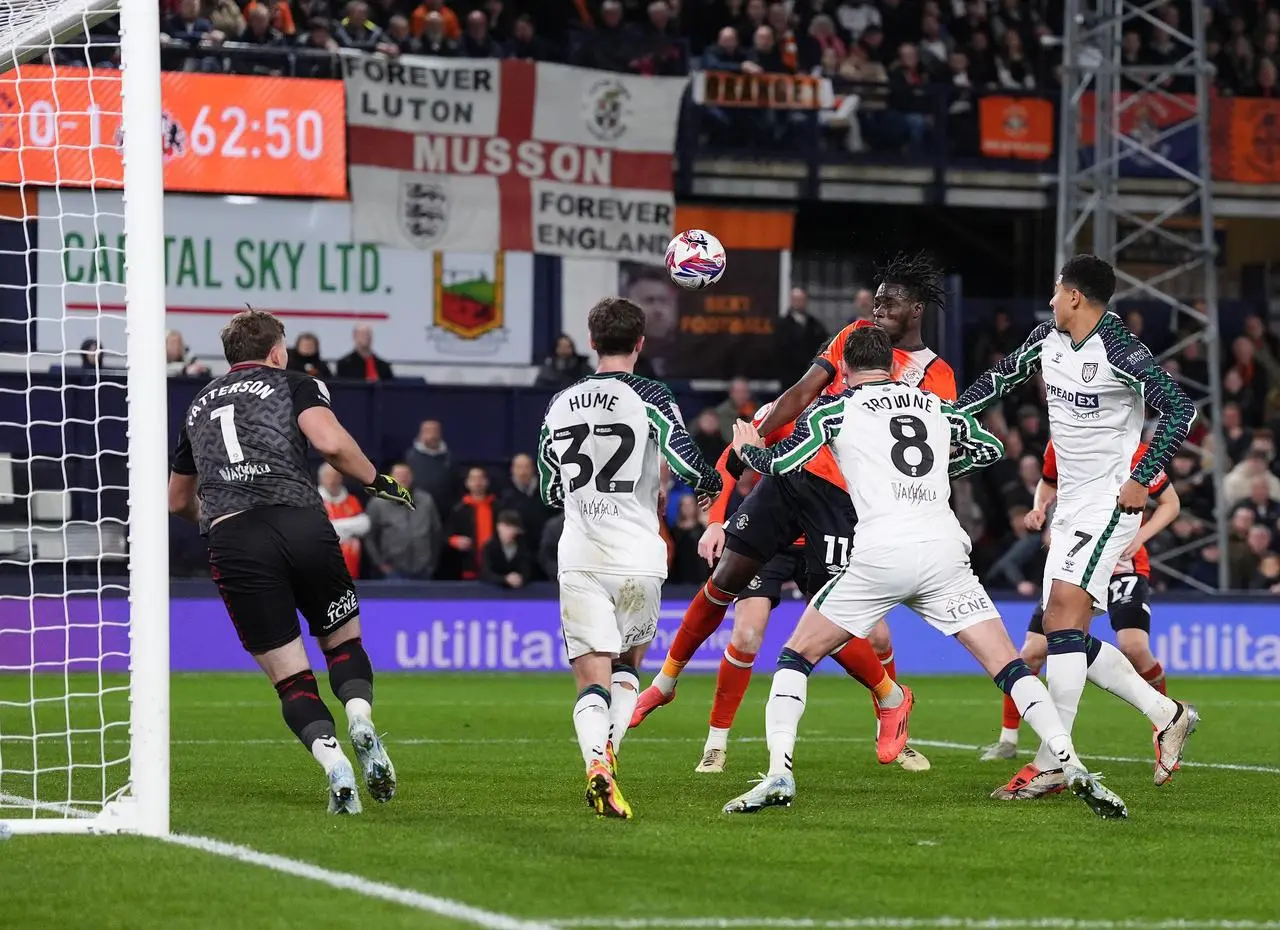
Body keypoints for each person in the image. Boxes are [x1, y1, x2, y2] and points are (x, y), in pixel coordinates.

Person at [721, 325, 1128, 819]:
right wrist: (941, 471)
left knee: (795, 657)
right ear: (893, 366)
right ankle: (1072, 764)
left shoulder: (836, 408)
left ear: (845, 370)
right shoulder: (935, 407)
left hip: (881, 555)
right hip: (943, 553)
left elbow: (783, 463)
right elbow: (989, 449)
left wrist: (747, 448)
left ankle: (779, 773)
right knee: (1011, 667)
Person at [630, 253, 957, 774]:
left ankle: (892, 702)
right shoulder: (854, 336)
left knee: (850, 630)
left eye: (888, 303)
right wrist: (756, 439)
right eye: (874, 301)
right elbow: (803, 391)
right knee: (727, 580)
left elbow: (931, 460)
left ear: (916, 309)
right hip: (794, 476)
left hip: (847, 503)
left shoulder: (936, 377)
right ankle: (666, 684)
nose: (877, 311)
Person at [956, 254, 1200, 798]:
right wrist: (949, 415)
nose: (1048, 300)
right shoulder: (1047, 340)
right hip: (1069, 508)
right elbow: (997, 379)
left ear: (1074, 296)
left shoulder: (1121, 350)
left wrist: (1142, 476)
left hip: (1109, 505)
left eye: (1055, 290)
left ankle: (1051, 764)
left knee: (1064, 614)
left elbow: (1181, 409)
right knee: (1062, 633)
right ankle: (1166, 713)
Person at [167, 308, 413, 814]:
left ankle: (334, 764)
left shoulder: (197, 405)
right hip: (299, 521)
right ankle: (361, 719)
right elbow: (329, 442)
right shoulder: (296, 383)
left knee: (290, 676)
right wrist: (375, 480)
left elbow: (176, 500)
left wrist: (208, 517)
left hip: (234, 537)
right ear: (277, 352)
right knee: (343, 642)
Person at [537, 296, 721, 819]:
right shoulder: (652, 396)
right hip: (639, 555)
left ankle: (597, 763)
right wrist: (707, 486)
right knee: (626, 669)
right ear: (641, 343)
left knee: (588, 679)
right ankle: (608, 760)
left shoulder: (560, 401)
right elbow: (687, 460)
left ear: (592, 342)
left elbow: (551, 488)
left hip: (581, 554)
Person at [981, 439, 1183, 776]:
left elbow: (1170, 502)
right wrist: (1040, 507)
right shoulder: (1059, 439)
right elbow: (1048, 482)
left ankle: (1156, 721)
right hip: (1071, 560)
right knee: (1036, 650)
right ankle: (1012, 740)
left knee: (1132, 646)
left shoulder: (1133, 448)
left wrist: (1140, 537)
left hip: (1123, 564)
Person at [365, 462, 442, 580]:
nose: (403, 479)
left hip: (423, 569)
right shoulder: (378, 503)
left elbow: (436, 533)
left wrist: (431, 564)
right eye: (399, 475)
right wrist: (380, 564)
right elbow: (369, 537)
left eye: (406, 475)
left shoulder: (426, 501)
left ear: (412, 477)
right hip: (392, 570)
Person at [317, 463, 371, 579]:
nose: (332, 480)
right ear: (320, 479)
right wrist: (349, 529)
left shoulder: (352, 500)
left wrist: (336, 528)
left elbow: (364, 525)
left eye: (335, 476)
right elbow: (317, 530)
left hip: (351, 569)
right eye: (328, 476)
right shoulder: (313, 501)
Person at [480, 510, 532, 588]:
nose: (510, 531)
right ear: (499, 527)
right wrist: (504, 579)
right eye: (507, 526)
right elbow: (485, 573)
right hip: (493, 591)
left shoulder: (522, 546)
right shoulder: (489, 547)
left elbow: (527, 568)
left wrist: (521, 578)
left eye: (513, 527)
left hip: (520, 591)